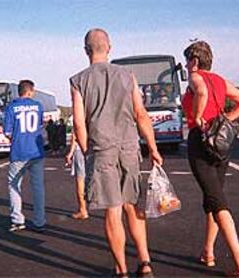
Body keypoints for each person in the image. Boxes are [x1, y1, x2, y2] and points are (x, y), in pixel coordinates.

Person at [70, 28, 163, 277]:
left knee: (113, 209)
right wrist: (153, 148)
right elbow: (140, 114)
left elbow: (79, 123)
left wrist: (88, 149)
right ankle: (144, 263)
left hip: (102, 150)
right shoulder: (127, 75)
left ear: (86, 50)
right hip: (129, 147)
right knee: (132, 204)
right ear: (109, 47)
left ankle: (121, 270)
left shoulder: (78, 80)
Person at [181, 41, 239, 277]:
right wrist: (226, 120)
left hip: (201, 143)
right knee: (212, 198)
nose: (185, 65)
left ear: (195, 61)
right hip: (221, 145)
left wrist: (198, 116)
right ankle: (208, 251)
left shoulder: (195, 76)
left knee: (218, 202)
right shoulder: (220, 80)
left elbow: (200, 90)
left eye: (187, 60)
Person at [3, 79, 46, 232]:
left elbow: (7, 132)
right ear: (30, 91)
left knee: (14, 185)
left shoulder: (11, 107)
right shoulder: (38, 106)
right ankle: (40, 221)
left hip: (19, 152)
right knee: (38, 187)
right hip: (36, 152)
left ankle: (17, 220)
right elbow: (40, 127)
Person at [65, 132, 88, 220]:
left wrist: (70, 153)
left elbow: (75, 134)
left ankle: (83, 210)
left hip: (80, 149)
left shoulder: (80, 117)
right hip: (94, 147)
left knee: (80, 180)